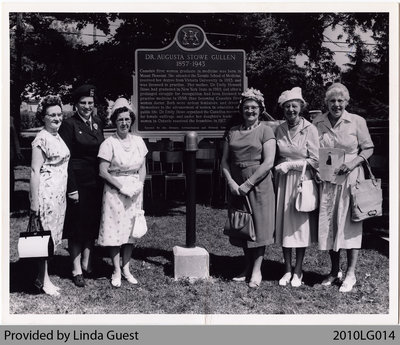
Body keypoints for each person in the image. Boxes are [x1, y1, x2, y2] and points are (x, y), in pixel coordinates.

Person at [313, 83, 374, 292]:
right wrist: (317, 170)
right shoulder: (318, 121)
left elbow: (368, 148)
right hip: (328, 178)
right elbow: (313, 150)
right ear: (326, 103)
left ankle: (350, 273)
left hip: (351, 177)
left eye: (340, 101)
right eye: (332, 101)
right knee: (331, 223)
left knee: (350, 224)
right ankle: (334, 271)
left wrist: (352, 162)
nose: (336, 105)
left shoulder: (357, 121)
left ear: (346, 102)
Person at [221, 88, 276, 288]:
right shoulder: (233, 131)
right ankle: (246, 266)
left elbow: (268, 162)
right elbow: (225, 162)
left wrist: (248, 184)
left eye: (254, 107)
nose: (250, 111)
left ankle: (256, 270)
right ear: (241, 109)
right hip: (236, 184)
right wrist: (232, 183)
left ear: (260, 109)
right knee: (242, 225)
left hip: (259, 184)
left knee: (259, 227)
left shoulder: (266, 131)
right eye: (246, 107)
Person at [97, 98, 148, 287]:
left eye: (127, 119)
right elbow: (102, 170)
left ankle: (126, 268)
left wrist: (139, 186)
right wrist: (122, 187)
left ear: (131, 120)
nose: (124, 123)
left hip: (134, 191)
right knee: (115, 232)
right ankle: (116, 270)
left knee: (130, 231)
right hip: (115, 191)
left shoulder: (139, 141)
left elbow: (143, 167)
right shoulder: (109, 143)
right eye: (120, 120)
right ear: (115, 122)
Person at [58, 84, 105, 287]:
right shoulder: (69, 124)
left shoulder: (98, 122)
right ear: (76, 105)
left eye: (90, 103)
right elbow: (65, 158)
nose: (87, 106)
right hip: (78, 180)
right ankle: (76, 268)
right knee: (77, 226)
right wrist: (71, 188)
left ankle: (87, 262)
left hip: (96, 181)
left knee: (92, 223)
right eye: (83, 103)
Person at [274, 87, 319, 287]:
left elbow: (316, 160)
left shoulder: (310, 128)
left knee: (300, 228)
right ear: (283, 109)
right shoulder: (279, 129)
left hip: (302, 181)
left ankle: (298, 271)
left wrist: (290, 165)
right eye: (287, 106)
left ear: (301, 107)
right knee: (285, 227)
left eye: (294, 106)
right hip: (283, 182)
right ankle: (286, 269)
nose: (291, 109)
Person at [29, 95, 70, 296]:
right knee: (44, 238)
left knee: (51, 237)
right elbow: (34, 171)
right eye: (52, 115)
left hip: (58, 195)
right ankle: (44, 280)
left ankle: (40, 277)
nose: (57, 118)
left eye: (59, 114)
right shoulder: (41, 138)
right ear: (43, 117)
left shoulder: (57, 135)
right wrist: (34, 202)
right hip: (46, 195)